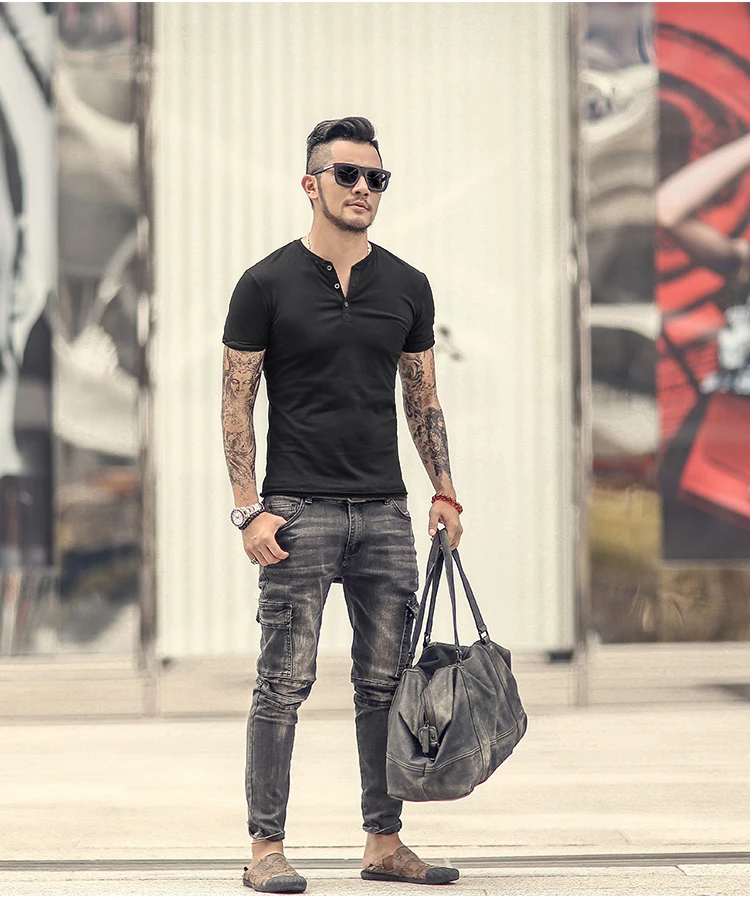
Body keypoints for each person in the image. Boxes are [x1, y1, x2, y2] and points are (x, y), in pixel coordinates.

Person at [221, 116, 463, 893]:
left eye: (376, 178)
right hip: (297, 513)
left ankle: (383, 844)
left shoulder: (407, 285)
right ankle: (265, 849)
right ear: (311, 183)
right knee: (282, 684)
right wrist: (248, 508)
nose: (363, 189)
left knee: (385, 687)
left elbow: (423, 399)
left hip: (385, 514)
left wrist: (444, 490)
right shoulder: (265, 284)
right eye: (348, 175)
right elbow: (236, 401)